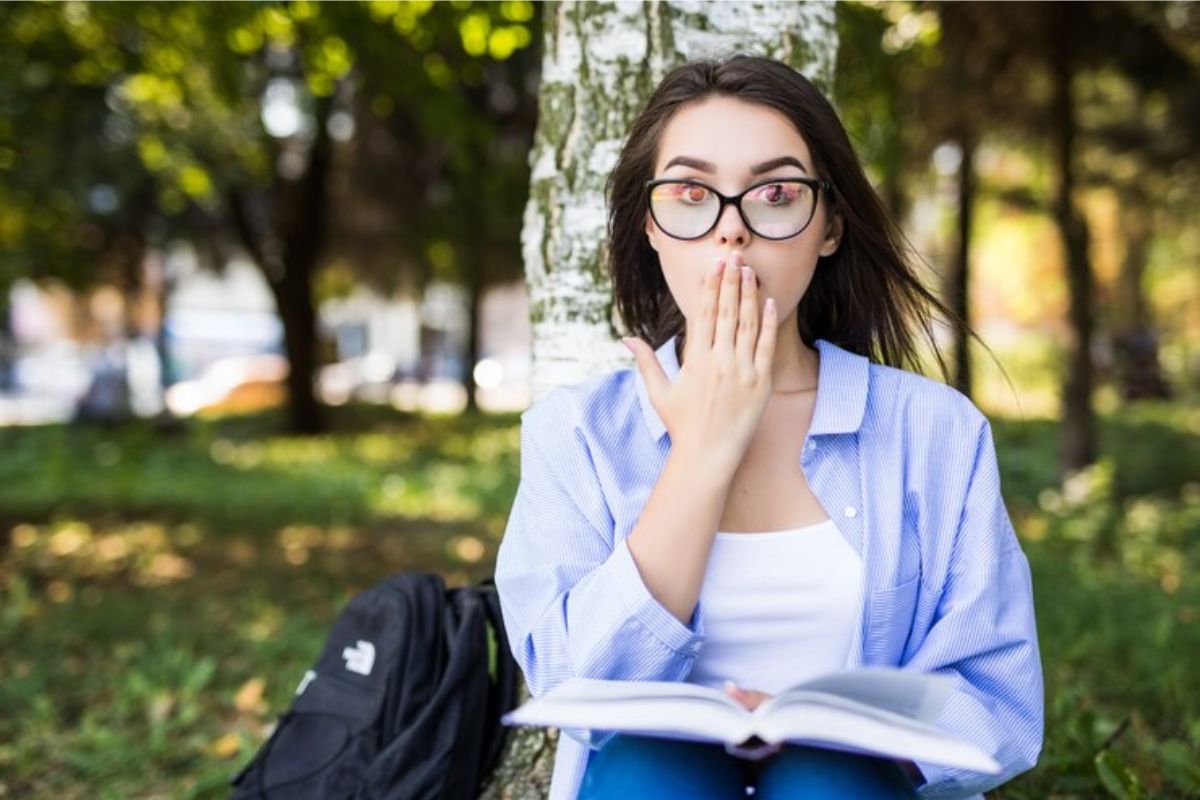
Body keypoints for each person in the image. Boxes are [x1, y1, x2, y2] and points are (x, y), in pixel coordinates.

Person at [494, 54, 1043, 800]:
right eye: (691, 194)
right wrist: (703, 453)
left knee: (828, 782)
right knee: (646, 772)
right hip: (650, 782)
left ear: (828, 227)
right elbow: (568, 684)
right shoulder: (576, 431)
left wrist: (832, 743)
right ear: (649, 228)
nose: (732, 232)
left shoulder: (935, 432)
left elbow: (998, 693)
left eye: (776, 193)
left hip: (855, 789)